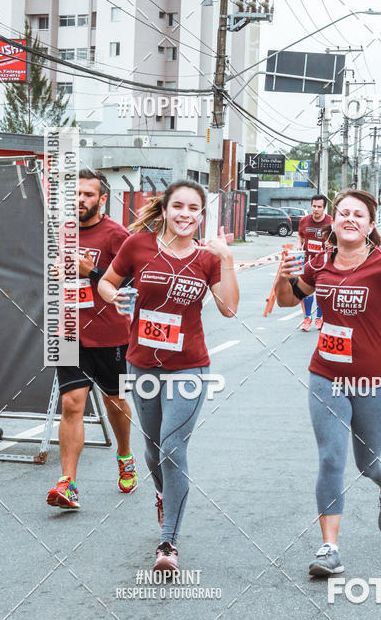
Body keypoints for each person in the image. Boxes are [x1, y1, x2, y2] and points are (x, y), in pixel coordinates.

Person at [275, 189, 381, 577]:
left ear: (369, 226)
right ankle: (329, 548)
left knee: (368, 463)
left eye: (358, 215)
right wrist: (283, 277)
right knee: (331, 457)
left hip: (375, 378)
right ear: (332, 220)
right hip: (326, 375)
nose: (349, 219)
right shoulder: (319, 264)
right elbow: (284, 301)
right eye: (343, 212)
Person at [98, 180, 239, 574]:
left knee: (173, 448)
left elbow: (228, 309)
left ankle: (168, 543)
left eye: (194, 209)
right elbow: (107, 281)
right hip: (141, 362)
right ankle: (163, 492)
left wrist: (226, 259)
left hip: (189, 366)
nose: (185, 215)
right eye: (178, 206)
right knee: (153, 448)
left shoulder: (208, 257)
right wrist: (115, 296)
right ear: (164, 210)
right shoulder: (137, 245)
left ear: (201, 216)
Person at [47, 169, 135, 511]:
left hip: (111, 334)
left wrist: (92, 272)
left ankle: (125, 454)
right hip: (68, 330)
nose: (80, 200)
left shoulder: (117, 235)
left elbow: (129, 283)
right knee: (71, 404)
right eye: (76, 194)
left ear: (101, 199)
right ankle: (67, 483)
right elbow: (60, 271)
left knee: (115, 402)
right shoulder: (63, 232)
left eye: (87, 194)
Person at [297, 194, 333, 332]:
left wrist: (333, 244)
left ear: (324, 208)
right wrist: (299, 245)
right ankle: (307, 318)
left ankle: (319, 318)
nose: (316, 209)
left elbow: (339, 238)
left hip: (325, 262)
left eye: (319, 207)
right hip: (308, 261)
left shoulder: (331, 222)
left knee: (321, 291)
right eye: (314, 206)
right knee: (307, 291)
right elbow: (300, 235)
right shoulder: (304, 220)